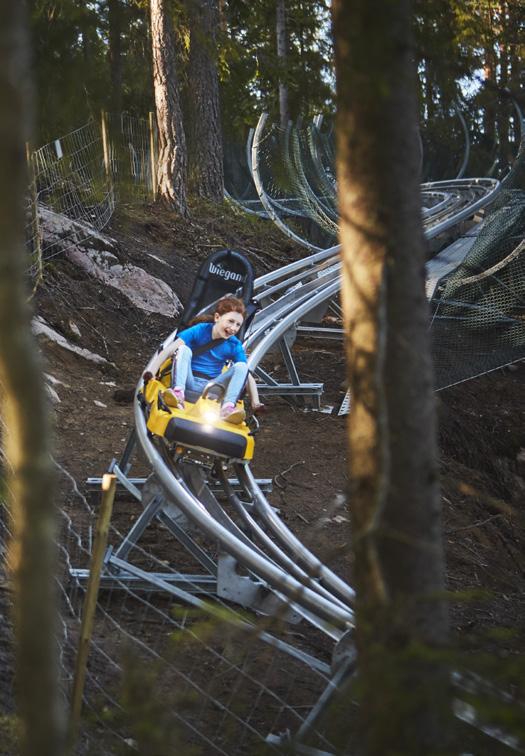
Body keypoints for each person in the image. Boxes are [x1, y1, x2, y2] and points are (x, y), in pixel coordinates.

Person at [163, 296, 250, 424]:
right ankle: (178, 393)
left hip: (212, 388)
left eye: (238, 325)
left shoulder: (234, 344)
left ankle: (228, 408)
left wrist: (256, 402)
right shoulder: (200, 330)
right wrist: (149, 373)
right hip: (188, 380)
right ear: (217, 318)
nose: (234, 328)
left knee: (242, 366)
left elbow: (246, 373)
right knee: (183, 349)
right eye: (230, 321)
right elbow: (169, 350)